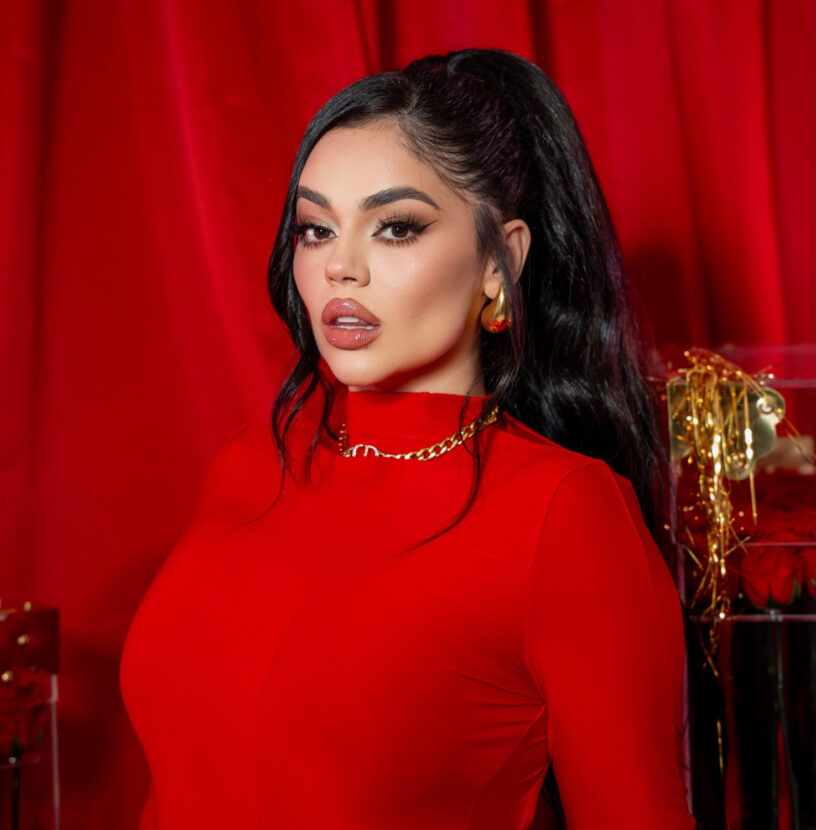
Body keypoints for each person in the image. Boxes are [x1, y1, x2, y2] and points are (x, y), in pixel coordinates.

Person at [121, 49, 695, 829]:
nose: (340, 268)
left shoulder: (564, 514)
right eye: (316, 229)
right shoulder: (250, 462)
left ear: (500, 260)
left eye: (395, 228)